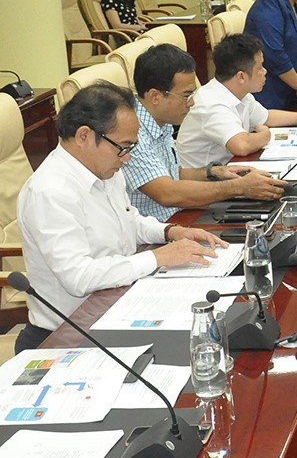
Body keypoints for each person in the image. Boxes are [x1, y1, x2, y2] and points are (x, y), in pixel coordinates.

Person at [16, 82, 224, 353]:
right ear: (84, 136)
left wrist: (170, 232)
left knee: (210, 326)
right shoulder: (50, 192)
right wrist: (158, 257)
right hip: (69, 335)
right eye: (123, 147)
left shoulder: (104, 168)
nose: (126, 159)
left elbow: (130, 220)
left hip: (119, 304)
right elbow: (79, 277)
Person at [124, 44, 286, 221]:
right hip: (158, 229)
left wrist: (214, 173)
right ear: (155, 96)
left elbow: (172, 174)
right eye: (186, 95)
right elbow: (167, 193)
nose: (192, 103)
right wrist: (238, 187)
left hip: (180, 213)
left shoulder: (161, 122)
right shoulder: (131, 133)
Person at [176, 34, 297, 169]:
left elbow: (267, 117)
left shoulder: (237, 92)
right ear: (241, 76)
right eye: (260, 68)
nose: (265, 71)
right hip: (203, 187)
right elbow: (242, 146)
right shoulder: (212, 103)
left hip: (228, 170)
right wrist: (265, 134)